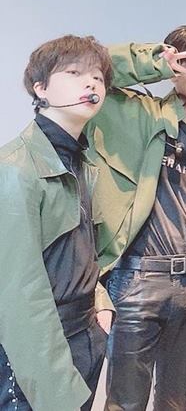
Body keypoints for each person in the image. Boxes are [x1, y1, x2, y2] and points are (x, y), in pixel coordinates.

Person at [85, 24, 186, 410]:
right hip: (137, 280)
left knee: (177, 402)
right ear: (175, 67)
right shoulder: (142, 115)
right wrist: (155, 62)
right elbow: (94, 70)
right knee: (124, 402)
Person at [0, 34, 113, 411]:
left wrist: (100, 303)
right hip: (39, 352)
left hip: (83, 337)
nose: (90, 83)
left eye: (97, 77)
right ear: (41, 88)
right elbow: (19, 297)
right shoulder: (15, 168)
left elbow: (79, 251)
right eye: (74, 72)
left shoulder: (80, 161)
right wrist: (56, 391)